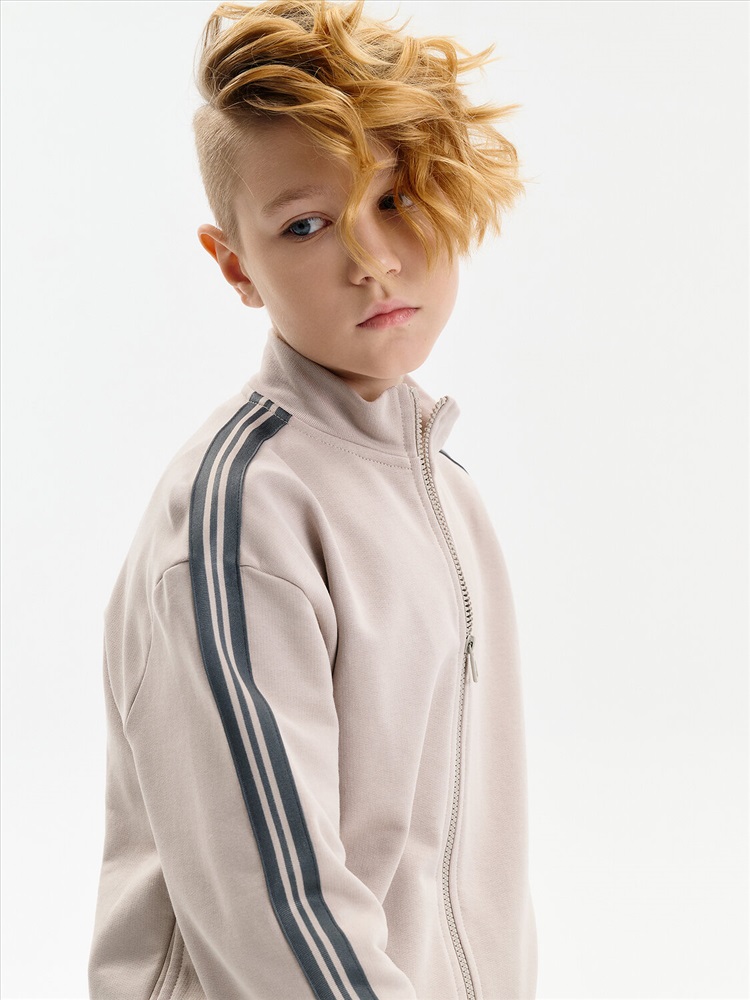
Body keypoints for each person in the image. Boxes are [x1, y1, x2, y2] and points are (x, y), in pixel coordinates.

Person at [87, 1, 538, 997]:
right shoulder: (239, 514)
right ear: (235, 265)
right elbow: (280, 910)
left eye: (397, 198)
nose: (373, 257)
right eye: (306, 224)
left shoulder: (443, 491)